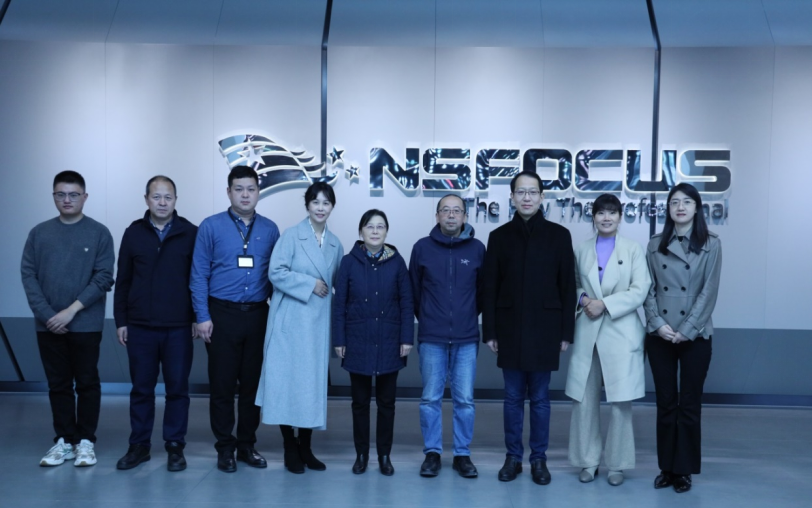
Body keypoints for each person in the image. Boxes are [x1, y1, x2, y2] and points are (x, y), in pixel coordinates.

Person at [482, 170, 576, 485]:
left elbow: (568, 286)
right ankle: (513, 457)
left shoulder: (559, 235)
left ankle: (538, 459)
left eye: (532, 192)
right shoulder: (499, 236)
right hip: (509, 328)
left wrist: (566, 332)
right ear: (511, 197)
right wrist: (490, 331)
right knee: (511, 397)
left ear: (542, 197)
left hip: (546, 329)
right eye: (520, 192)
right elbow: (490, 287)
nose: (526, 197)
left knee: (540, 398)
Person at [21, 170, 115, 467]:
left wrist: (71, 310)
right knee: (58, 384)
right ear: (53, 197)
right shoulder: (39, 233)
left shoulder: (99, 232)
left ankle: (85, 441)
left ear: (84, 197)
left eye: (73, 194)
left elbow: (104, 277)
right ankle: (64, 441)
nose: (67, 200)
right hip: (48, 325)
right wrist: (49, 315)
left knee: (87, 382)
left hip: (86, 324)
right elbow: (28, 276)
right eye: (60, 194)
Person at [190, 166, 280, 473]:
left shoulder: (270, 229)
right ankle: (225, 447)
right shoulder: (211, 226)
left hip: (258, 316)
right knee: (223, 385)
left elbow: (277, 275)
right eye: (239, 189)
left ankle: (246, 445)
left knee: (253, 386)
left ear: (258, 192)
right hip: (221, 315)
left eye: (251, 189)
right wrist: (202, 316)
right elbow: (198, 274)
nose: (245, 195)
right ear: (228, 192)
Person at [255, 181, 344, 474]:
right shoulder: (291, 236)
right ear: (307, 205)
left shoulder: (335, 244)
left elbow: (339, 284)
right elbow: (275, 272)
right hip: (290, 322)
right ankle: (289, 446)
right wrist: (309, 284)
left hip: (317, 327)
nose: (320, 207)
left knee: (310, 388)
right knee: (285, 384)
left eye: (326, 203)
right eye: (315, 202)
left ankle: (305, 447)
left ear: (332, 207)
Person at [565, 193, 651, 486]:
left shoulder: (633, 249)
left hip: (621, 331)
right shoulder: (582, 249)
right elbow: (573, 283)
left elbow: (640, 289)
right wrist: (584, 299)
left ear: (620, 216)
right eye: (601, 212)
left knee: (620, 403)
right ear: (593, 217)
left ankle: (617, 464)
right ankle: (587, 461)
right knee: (584, 400)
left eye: (612, 212)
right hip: (588, 329)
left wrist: (605, 304)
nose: (606, 218)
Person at [113, 176, 198, 472]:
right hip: (140, 326)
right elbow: (123, 281)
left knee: (178, 390)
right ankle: (139, 446)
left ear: (176, 200)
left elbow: (198, 279)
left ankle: (175, 446)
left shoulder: (190, 233)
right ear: (146, 199)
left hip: (178, 327)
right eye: (157, 197)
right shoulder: (133, 233)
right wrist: (121, 321)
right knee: (141, 389)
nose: (162, 202)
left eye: (168, 197)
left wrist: (197, 317)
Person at [644, 183, 721, 494]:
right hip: (660, 334)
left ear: (696, 208)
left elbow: (709, 291)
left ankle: (684, 470)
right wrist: (657, 323)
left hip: (696, 335)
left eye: (687, 202)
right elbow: (647, 289)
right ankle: (666, 468)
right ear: (668, 208)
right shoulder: (654, 244)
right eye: (674, 202)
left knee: (689, 404)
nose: (680, 207)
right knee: (665, 403)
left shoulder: (711, 244)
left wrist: (687, 329)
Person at [409, 194, 486, 479]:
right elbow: (414, 291)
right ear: (437, 215)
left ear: (465, 216)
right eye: (446, 210)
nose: (451, 215)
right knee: (430, 398)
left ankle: (462, 455)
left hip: (466, 337)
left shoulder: (477, 249)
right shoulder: (422, 248)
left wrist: (466, 316)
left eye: (457, 211)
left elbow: (482, 292)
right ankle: (432, 453)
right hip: (432, 337)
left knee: (464, 399)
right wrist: (430, 317)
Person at [332, 209, 414, 476]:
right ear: (361, 232)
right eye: (370, 226)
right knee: (360, 403)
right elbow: (339, 304)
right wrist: (339, 339)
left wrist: (406, 338)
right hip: (358, 340)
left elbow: (407, 302)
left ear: (386, 232)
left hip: (389, 340)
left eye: (380, 227)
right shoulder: (349, 262)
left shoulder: (397, 262)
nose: (375, 231)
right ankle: (361, 455)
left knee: (387, 404)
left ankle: (384, 456)